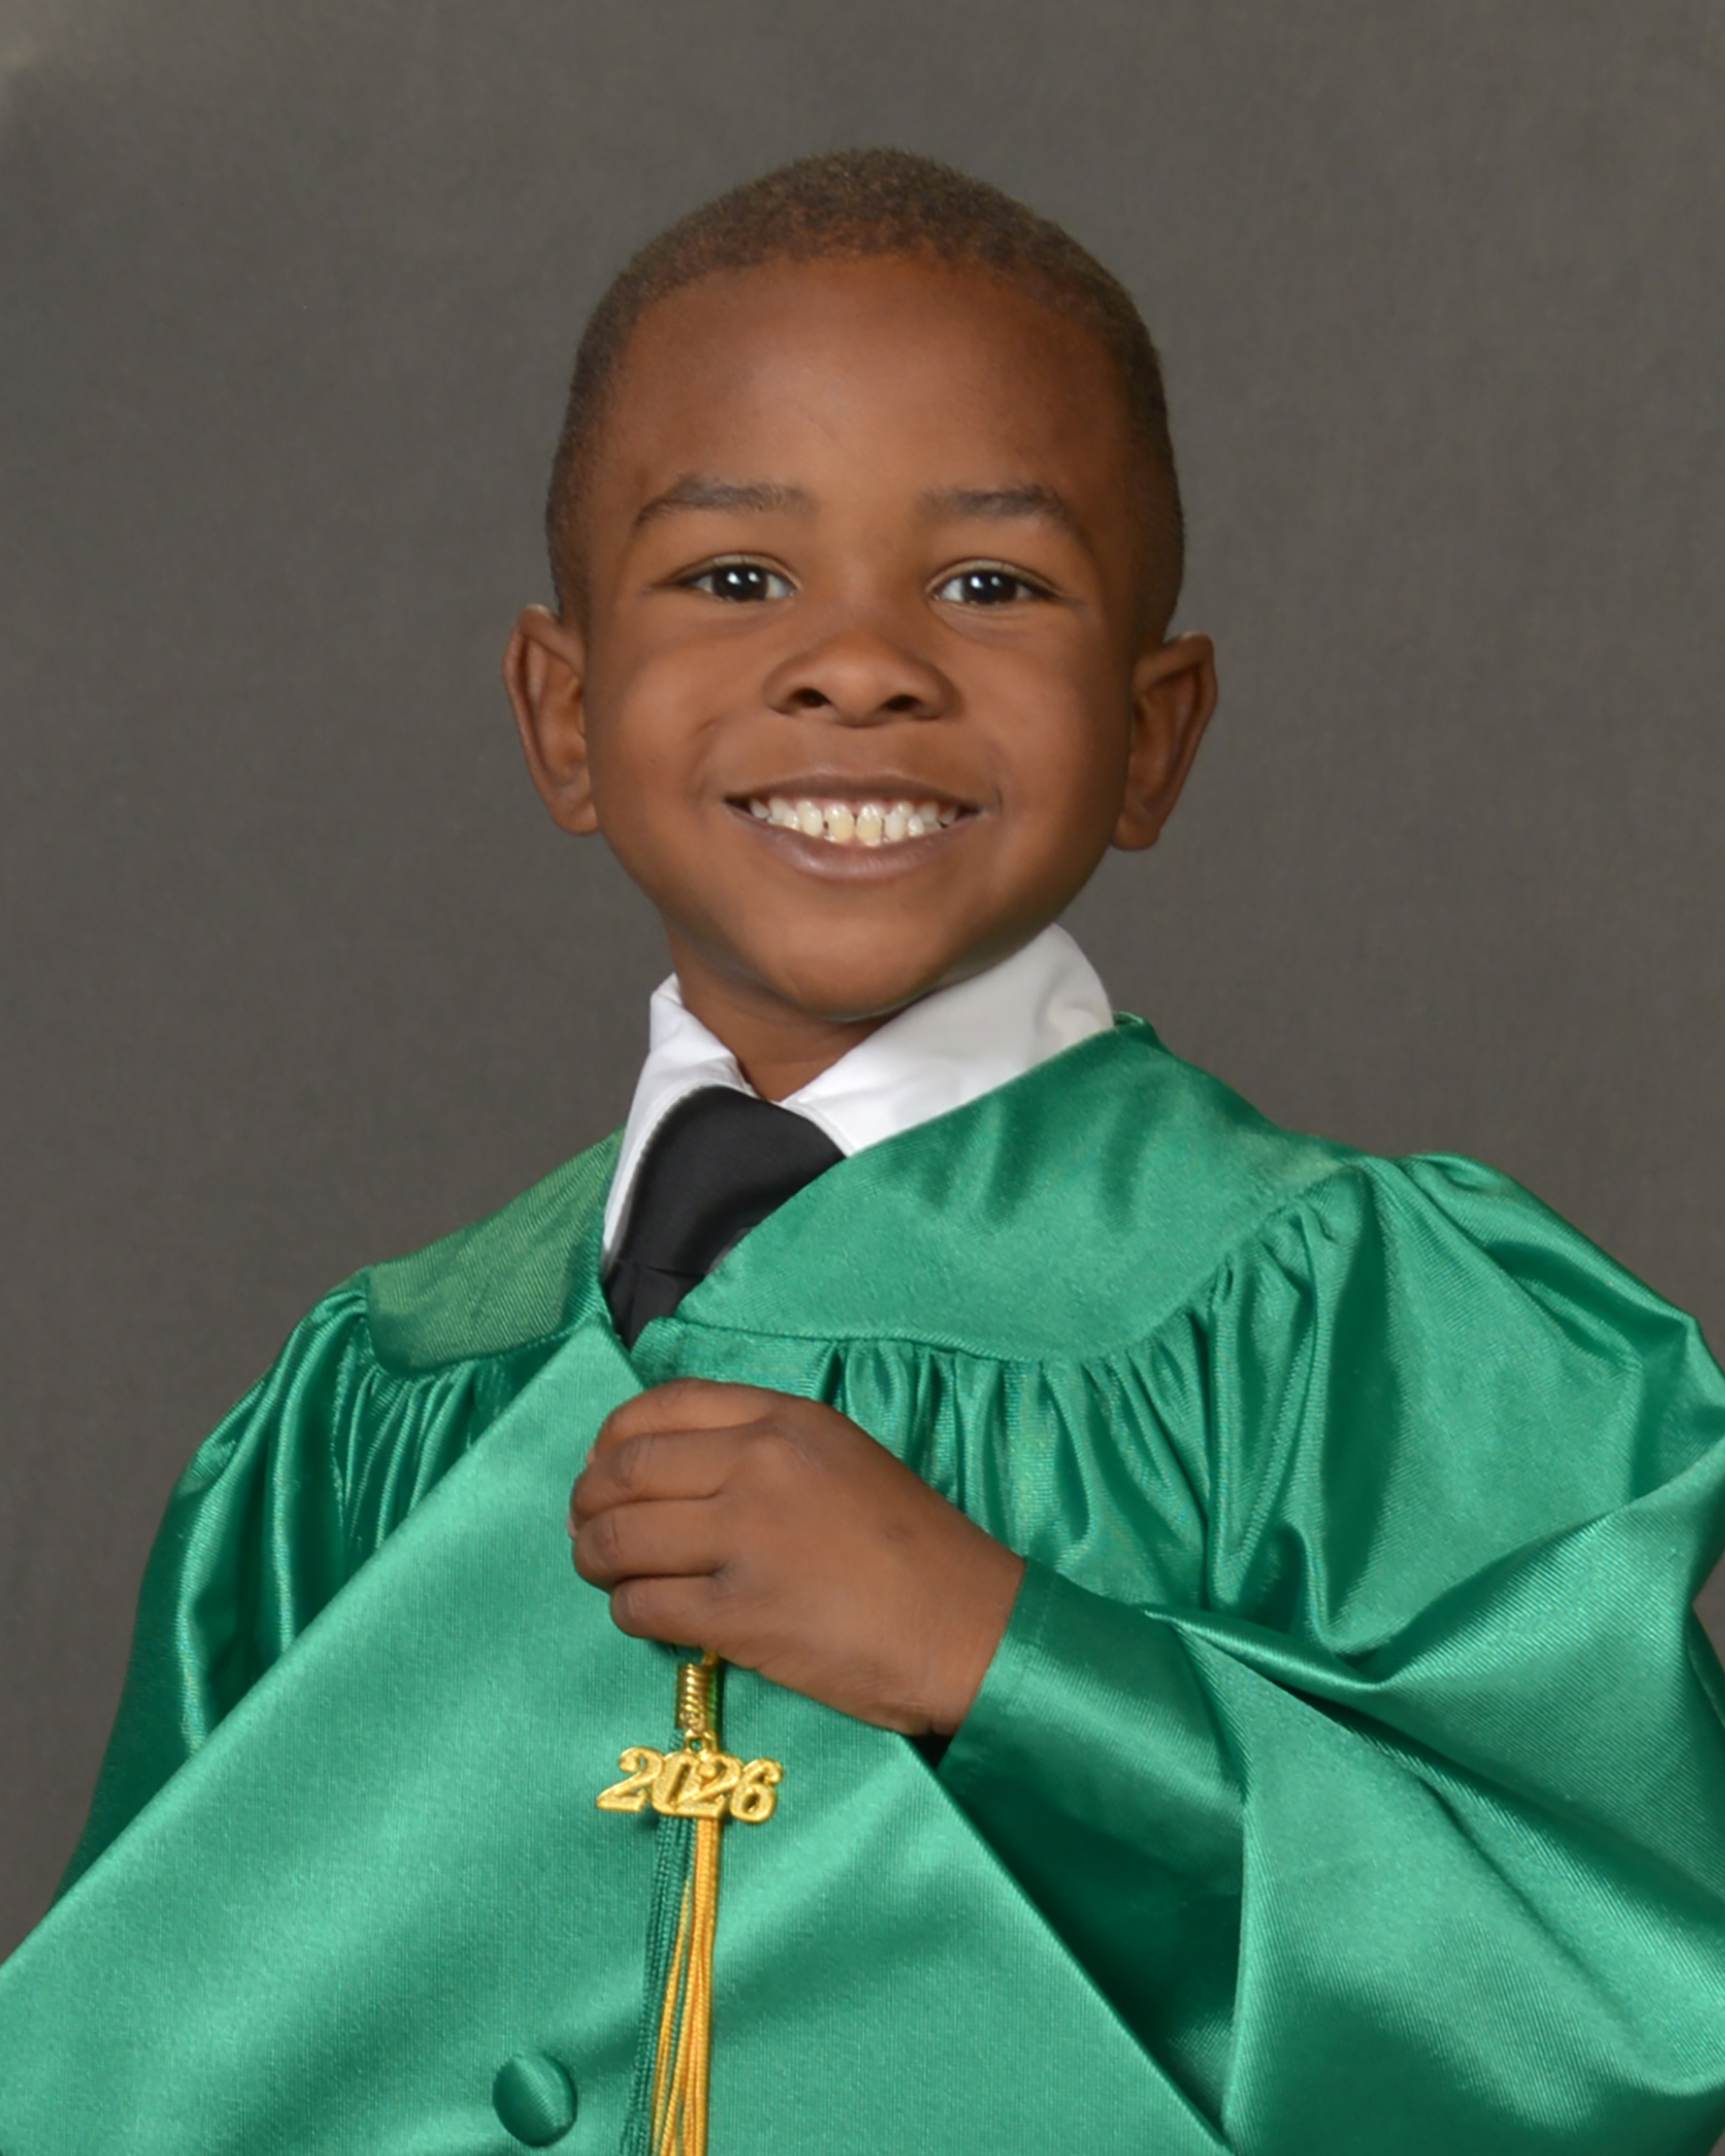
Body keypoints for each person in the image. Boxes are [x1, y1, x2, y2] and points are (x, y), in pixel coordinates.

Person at [3, 148, 1724, 2156]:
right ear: (562, 713)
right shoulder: (371, 1400)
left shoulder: (1356, 1335)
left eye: (990, 585)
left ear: (1154, 731)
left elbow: (1623, 1996)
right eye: (737, 577)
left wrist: (1006, 1656)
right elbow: (132, 2066)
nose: (860, 663)